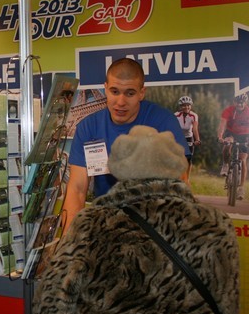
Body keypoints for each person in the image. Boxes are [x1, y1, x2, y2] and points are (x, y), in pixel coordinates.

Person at [33, 126, 239, 314]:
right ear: (177, 170)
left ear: (120, 170)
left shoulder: (90, 226)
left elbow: (50, 313)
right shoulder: (216, 226)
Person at [62, 58, 189, 232]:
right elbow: (76, 189)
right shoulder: (88, 127)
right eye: (114, 91)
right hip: (106, 224)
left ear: (141, 93)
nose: (120, 102)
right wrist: (70, 241)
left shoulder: (163, 122)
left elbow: (180, 182)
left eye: (129, 93)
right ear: (105, 88)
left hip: (152, 225)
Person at [218, 93, 249, 200]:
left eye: (242, 102)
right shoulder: (228, 110)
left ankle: (241, 188)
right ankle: (226, 164)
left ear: (246, 102)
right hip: (230, 133)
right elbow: (222, 125)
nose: (240, 104)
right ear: (234, 102)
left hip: (244, 135)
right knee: (228, 143)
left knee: (243, 160)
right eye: (237, 102)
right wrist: (220, 136)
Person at [175, 95, 201, 182]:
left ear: (190, 106)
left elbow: (195, 129)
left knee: (189, 159)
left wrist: (197, 139)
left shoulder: (194, 116)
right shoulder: (176, 115)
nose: (186, 107)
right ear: (180, 107)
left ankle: (187, 179)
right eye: (184, 105)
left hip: (189, 138)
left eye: (188, 105)